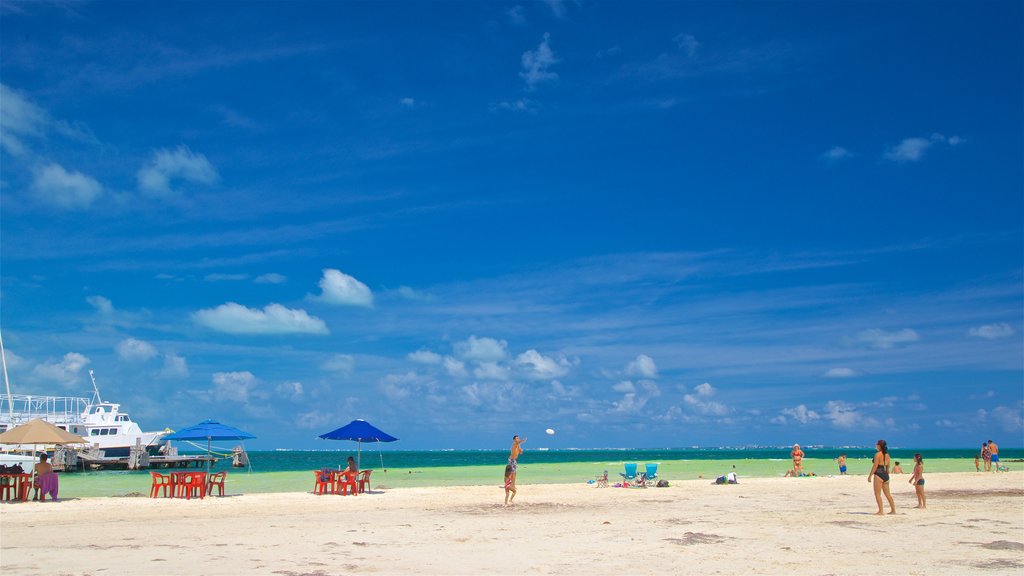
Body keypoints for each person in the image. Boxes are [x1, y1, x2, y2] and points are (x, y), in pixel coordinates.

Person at [869, 439, 896, 515]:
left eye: (876, 445)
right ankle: (893, 510)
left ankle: (881, 511)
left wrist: (870, 476)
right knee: (888, 494)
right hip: (885, 475)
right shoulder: (887, 454)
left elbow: (875, 466)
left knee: (877, 494)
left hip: (878, 474)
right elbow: (888, 466)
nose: (876, 446)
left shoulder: (877, 454)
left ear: (879, 446)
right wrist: (887, 473)